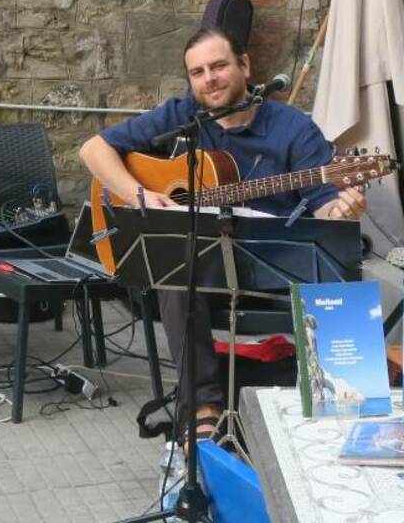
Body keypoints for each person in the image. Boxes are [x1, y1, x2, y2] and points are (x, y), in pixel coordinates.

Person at [79, 26, 365, 448]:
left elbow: (325, 203)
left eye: (218, 66)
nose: (208, 78)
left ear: (245, 66)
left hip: (276, 265)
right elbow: (93, 149)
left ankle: (347, 413)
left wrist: (342, 210)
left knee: (340, 269)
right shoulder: (184, 116)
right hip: (208, 269)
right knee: (176, 268)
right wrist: (139, 193)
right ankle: (203, 409)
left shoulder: (293, 128)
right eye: (197, 72)